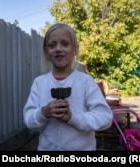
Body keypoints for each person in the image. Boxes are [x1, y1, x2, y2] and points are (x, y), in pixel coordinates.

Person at [23, 23, 113, 151]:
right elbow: (29, 120)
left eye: (65, 44)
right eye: (52, 45)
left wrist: (73, 118)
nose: (58, 49)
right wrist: (43, 113)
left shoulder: (86, 81)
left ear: (75, 49)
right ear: (46, 51)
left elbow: (105, 118)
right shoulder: (39, 83)